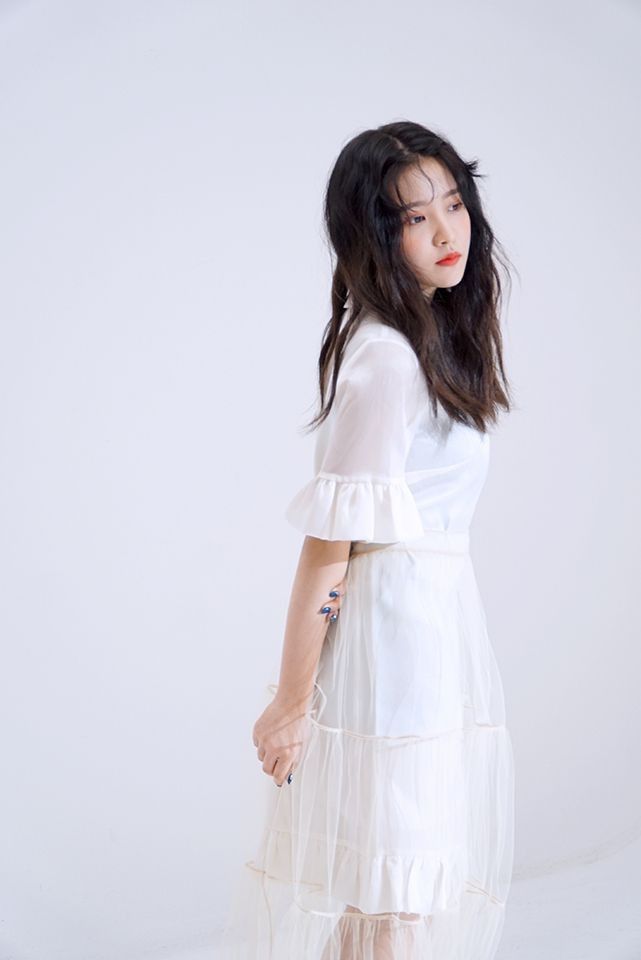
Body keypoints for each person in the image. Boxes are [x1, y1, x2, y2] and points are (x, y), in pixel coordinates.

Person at [219, 120, 516, 959]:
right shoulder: (384, 358)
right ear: (375, 235)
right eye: (415, 217)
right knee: (393, 894)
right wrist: (291, 703)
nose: (447, 231)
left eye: (453, 204)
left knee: (388, 895)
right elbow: (329, 545)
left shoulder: (426, 340)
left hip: (427, 633)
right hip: (393, 645)